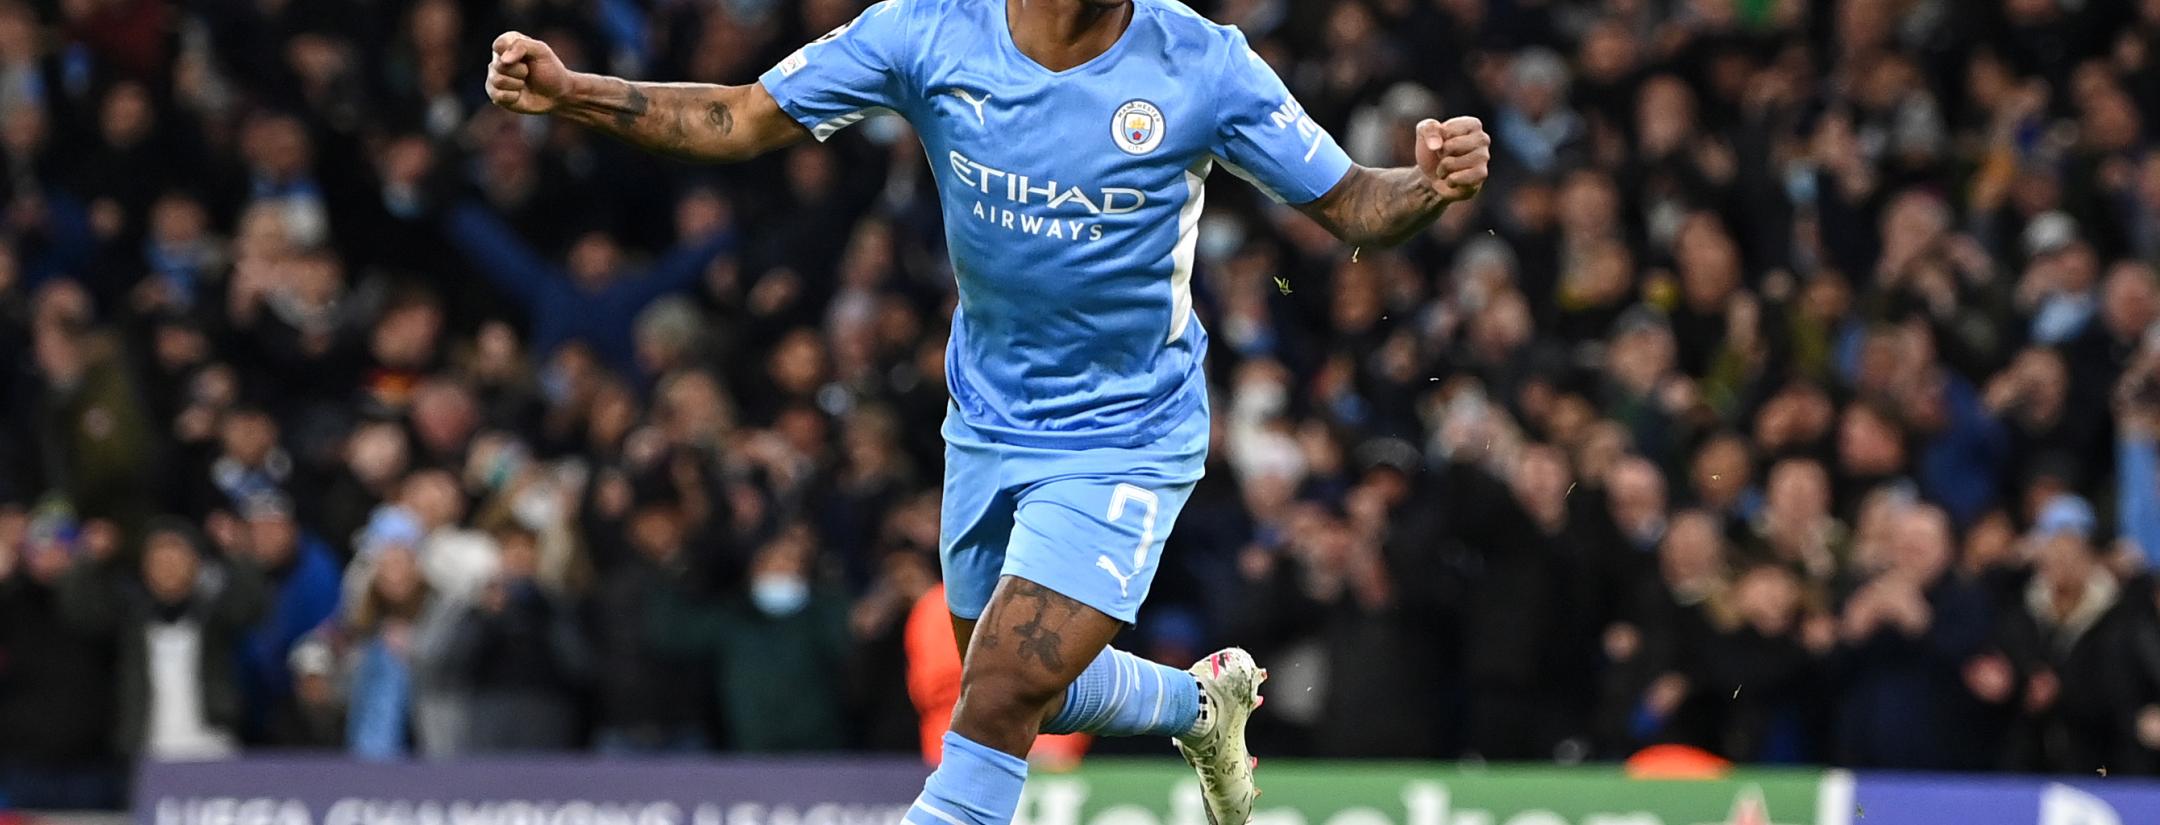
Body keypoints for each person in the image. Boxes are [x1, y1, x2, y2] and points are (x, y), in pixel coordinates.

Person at [483, 0, 1490, 818]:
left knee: (1001, 688)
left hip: (1126, 434)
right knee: (1009, 683)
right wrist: (572, 92)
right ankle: (1197, 703)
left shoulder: (1203, 64)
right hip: (987, 421)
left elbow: (1354, 204)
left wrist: (1428, 185)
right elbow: (740, 117)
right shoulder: (929, 33)